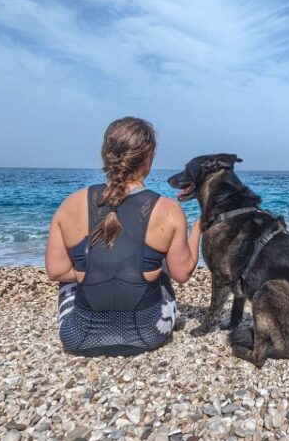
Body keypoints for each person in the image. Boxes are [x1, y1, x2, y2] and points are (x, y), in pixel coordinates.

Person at [45, 117, 201, 356]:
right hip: (148, 334)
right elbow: (182, 273)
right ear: (148, 158)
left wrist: (93, 270)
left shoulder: (70, 204)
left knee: (77, 269)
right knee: (160, 265)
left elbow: (55, 271)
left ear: (105, 154)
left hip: (78, 337)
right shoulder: (168, 210)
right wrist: (200, 227)